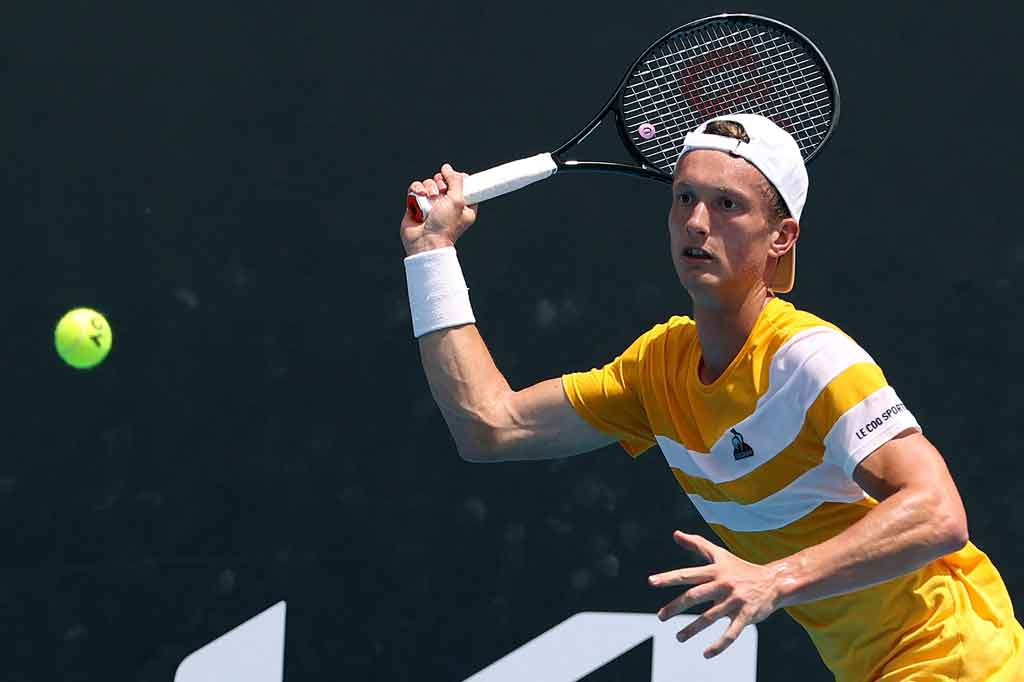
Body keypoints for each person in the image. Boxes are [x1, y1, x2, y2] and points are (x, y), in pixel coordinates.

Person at [400, 114, 1024, 681]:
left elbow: (939, 513)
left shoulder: (812, 360)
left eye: (728, 205)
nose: (697, 222)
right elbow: (490, 427)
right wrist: (432, 255)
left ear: (781, 236)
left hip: (960, 656)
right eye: (684, 198)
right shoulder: (657, 369)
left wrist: (772, 579)